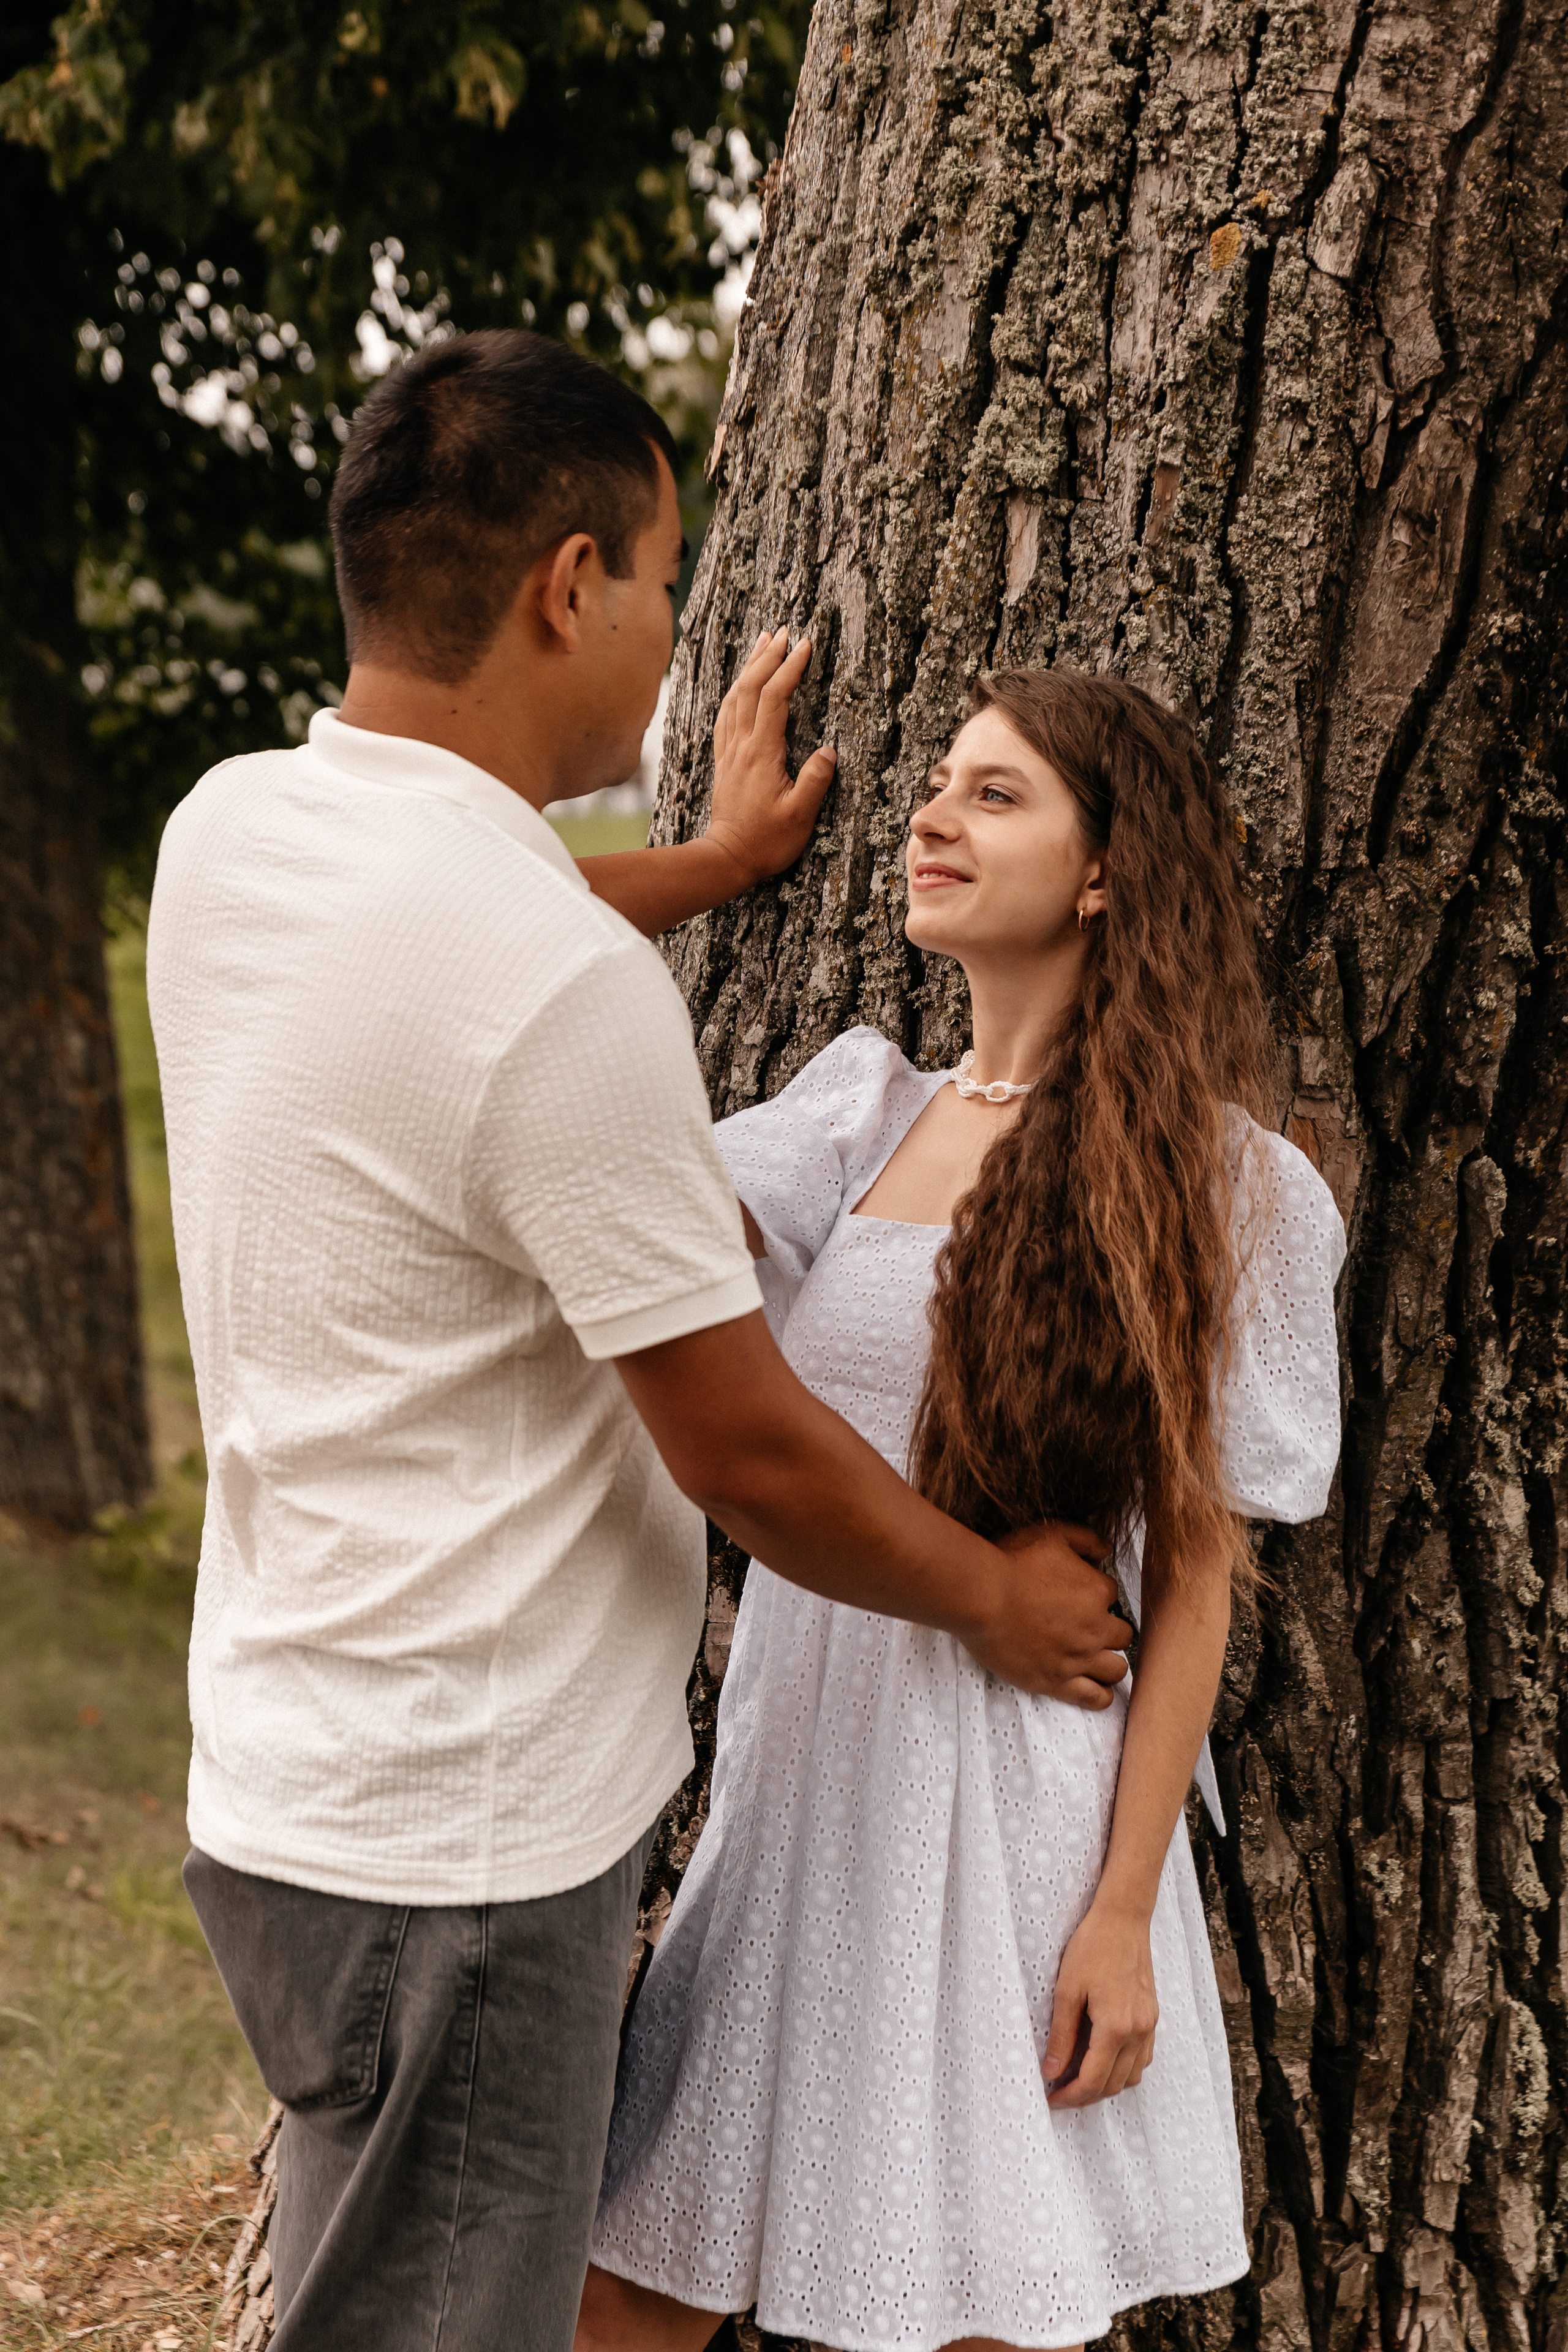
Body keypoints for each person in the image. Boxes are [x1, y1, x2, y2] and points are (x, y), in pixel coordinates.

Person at [147, 333, 1133, 2352]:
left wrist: (710, 861)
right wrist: (996, 1600)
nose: (676, 630)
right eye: (669, 577)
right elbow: (748, 1453)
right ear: (566, 584)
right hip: (467, 1858)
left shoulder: (234, 834)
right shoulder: (555, 997)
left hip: (282, 1799)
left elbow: (474, 928)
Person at [579, 668, 1347, 2352]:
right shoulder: (853, 1114)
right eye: (936, 782)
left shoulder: (1225, 1187)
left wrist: (1127, 1915)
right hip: (797, 1796)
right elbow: (591, 1192)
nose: (929, 813)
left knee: (972, 2312)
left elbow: (1195, 1587)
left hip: (1019, 1829)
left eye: (996, 794)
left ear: (1104, 872)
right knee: (625, 2292)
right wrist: (706, 860)